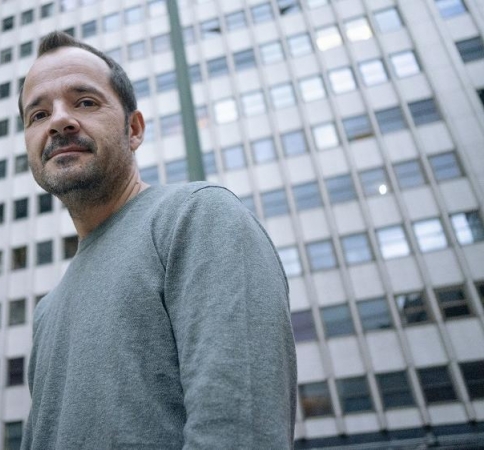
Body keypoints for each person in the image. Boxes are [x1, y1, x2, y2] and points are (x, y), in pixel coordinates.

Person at [18, 31, 296, 449]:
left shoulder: (197, 217)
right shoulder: (46, 312)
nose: (58, 120)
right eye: (38, 115)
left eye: (85, 102)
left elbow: (239, 433)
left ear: (134, 129)